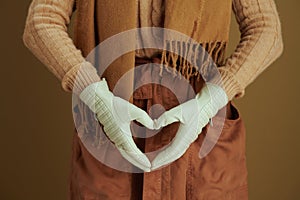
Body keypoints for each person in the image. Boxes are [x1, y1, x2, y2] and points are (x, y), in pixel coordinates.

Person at [23, 0, 283, 199]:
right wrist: (96, 96)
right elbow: (41, 20)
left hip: (200, 116)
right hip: (112, 105)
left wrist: (211, 100)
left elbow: (266, 29)